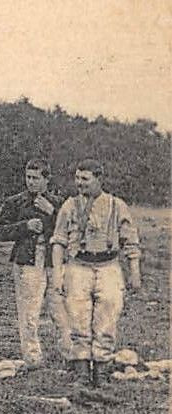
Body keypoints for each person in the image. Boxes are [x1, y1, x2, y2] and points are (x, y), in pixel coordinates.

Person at [52, 159, 142, 386]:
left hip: (108, 267)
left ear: (99, 179)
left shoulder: (116, 205)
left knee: (107, 318)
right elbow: (59, 241)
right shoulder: (69, 206)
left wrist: (134, 272)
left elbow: (130, 240)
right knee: (78, 318)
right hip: (78, 267)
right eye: (77, 178)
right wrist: (57, 273)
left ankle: (101, 371)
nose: (79, 183)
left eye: (85, 178)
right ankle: (82, 372)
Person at [0, 159, 69, 366]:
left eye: (36, 178)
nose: (31, 182)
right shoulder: (15, 202)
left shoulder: (60, 204)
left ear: (46, 180)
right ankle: (32, 358)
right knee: (29, 313)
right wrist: (25, 226)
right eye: (28, 177)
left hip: (55, 263)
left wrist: (52, 212)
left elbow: (72, 230)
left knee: (60, 311)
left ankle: (70, 355)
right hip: (27, 262)